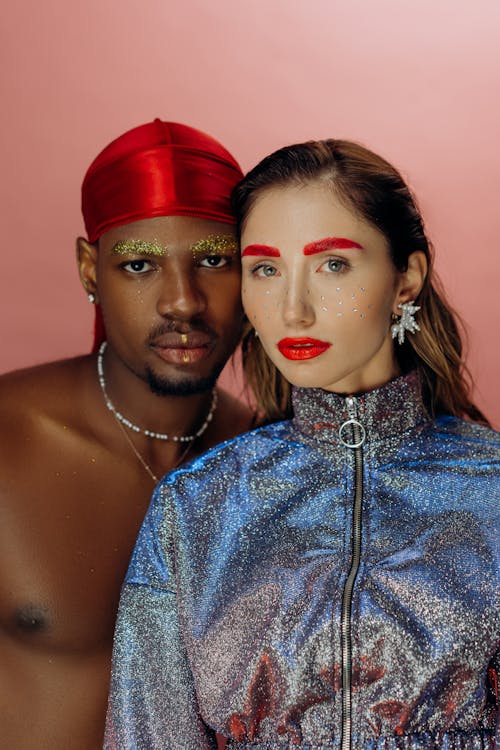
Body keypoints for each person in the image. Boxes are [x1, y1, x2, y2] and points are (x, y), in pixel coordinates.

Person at [105, 139, 499, 750]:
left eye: (332, 265)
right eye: (265, 269)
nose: (293, 308)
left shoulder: (491, 491)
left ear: (407, 279)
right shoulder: (195, 509)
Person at [0, 119, 254, 750]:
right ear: (90, 270)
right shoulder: (6, 438)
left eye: (215, 261)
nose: (182, 303)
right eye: (138, 265)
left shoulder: (274, 460)